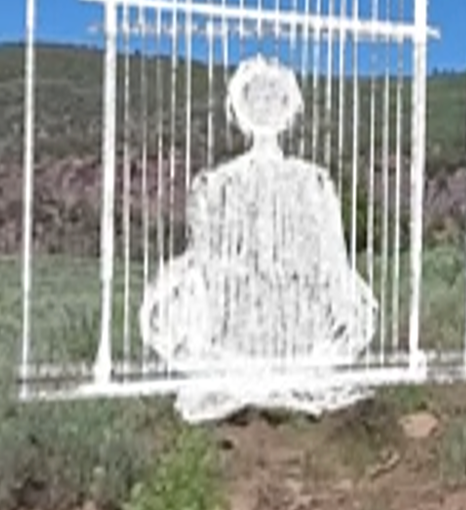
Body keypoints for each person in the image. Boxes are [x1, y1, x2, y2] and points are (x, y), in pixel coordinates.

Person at [139, 56, 380, 394]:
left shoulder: (313, 182)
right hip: (238, 316)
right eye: (255, 96)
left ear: (287, 107)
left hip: (295, 315)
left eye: (273, 97)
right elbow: (205, 261)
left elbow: (330, 263)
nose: (265, 105)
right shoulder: (216, 184)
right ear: (240, 107)